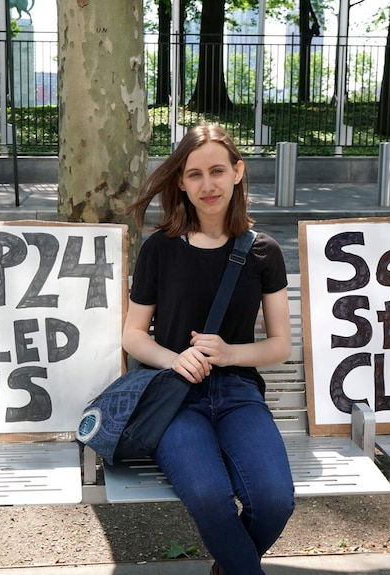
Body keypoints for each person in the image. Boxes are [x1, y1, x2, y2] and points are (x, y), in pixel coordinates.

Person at [122, 124, 295, 575]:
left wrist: (231, 353)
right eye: (194, 174)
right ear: (180, 182)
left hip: (238, 394)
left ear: (238, 172)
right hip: (177, 399)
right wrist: (174, 358)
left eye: (217, 171)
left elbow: (280, 345)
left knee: (274, 500)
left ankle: (230, 567)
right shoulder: (160, 249)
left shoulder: (264, 252)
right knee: (208, 497)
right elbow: (134, 334)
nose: (207, 184)